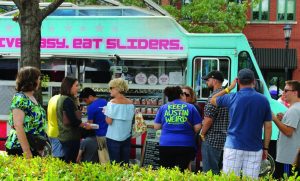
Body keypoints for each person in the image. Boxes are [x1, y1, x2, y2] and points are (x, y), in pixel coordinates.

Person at [210, 68, 272, 179]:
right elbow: (268, 126)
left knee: (230, 178)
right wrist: (265, 148)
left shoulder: (232, 97)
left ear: (238, 81)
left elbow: (213, 99)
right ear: (254, 81)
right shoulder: (263, 100)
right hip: (255, 148)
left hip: (233, 147)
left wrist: (229, 88)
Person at [154, 86, 202, 172]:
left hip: (166, 144)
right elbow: (198, 127)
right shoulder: (191, 107)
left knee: (166, 172)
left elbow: (156, 127)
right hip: (186, 144)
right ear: (181, 95)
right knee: (182, 172)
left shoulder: (163, 108)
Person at [5, 66, 47, 158]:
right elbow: (18, 125)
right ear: (32, 80)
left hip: (33, 147)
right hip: (20, 148)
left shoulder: (31, 97)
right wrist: (27, 152)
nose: (39, 82)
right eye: (38, 79)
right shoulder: (20, 98)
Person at [56, 77, 92, 163]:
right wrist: (84, 125)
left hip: (64, 135)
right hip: (70, 136)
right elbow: (73, 120)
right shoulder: (68, 101)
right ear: (69, 87)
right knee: (71, 162)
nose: (78, 88)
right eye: (76, 85)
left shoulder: (61, 98)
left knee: (67, 161)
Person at [200, 70, 229, 174]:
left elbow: (208, 119)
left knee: (209, 173)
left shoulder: (213, 97)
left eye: (208, 80)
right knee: (220, 172)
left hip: (212, 139)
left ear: (214, 80)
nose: (206, 82)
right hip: (224, 139)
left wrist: (202, 133)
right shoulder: (227, 96)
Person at [272, 80, 300, 177]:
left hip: (288, 157)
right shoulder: (295, 108)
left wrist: (275, 119)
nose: (283, 93)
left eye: (286, 90)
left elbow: (288, 132)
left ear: (295, 92)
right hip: (292, 156)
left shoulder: (294, 110)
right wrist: (283, 118)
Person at [104, 78, 135, 164]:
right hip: (126, 137)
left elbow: (109, 121)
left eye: (111, 88)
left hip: (113, 137)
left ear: (117, 89)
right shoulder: (130, 103)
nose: (109, 90)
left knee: (114, 164)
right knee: (125, 164)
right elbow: (132, 120)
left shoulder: (112, 103)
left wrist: (105, 112)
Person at [79, 87, 108, 163]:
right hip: (109, 134)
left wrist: (84, 125)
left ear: (91, 97)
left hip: (100, 136)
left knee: (103, 160)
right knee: (109, 159)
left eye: (85, 100)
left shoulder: (91, 107)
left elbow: (90, 124)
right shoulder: (105, 101)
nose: (85, 102)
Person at [47, 94, 64, 159]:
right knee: (58, 158)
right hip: (58, 133)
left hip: (50, 131)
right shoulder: (62, 100)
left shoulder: (52, 99)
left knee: (54, 155)